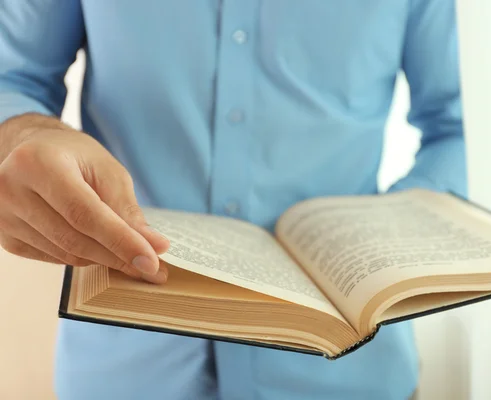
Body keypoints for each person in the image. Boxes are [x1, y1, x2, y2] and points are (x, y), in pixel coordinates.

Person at [0, 1, 466, 399]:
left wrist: (402, 234)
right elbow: (11, 76)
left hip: (350, 371)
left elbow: (460, 126)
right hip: (123, 369)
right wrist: (26, 133)